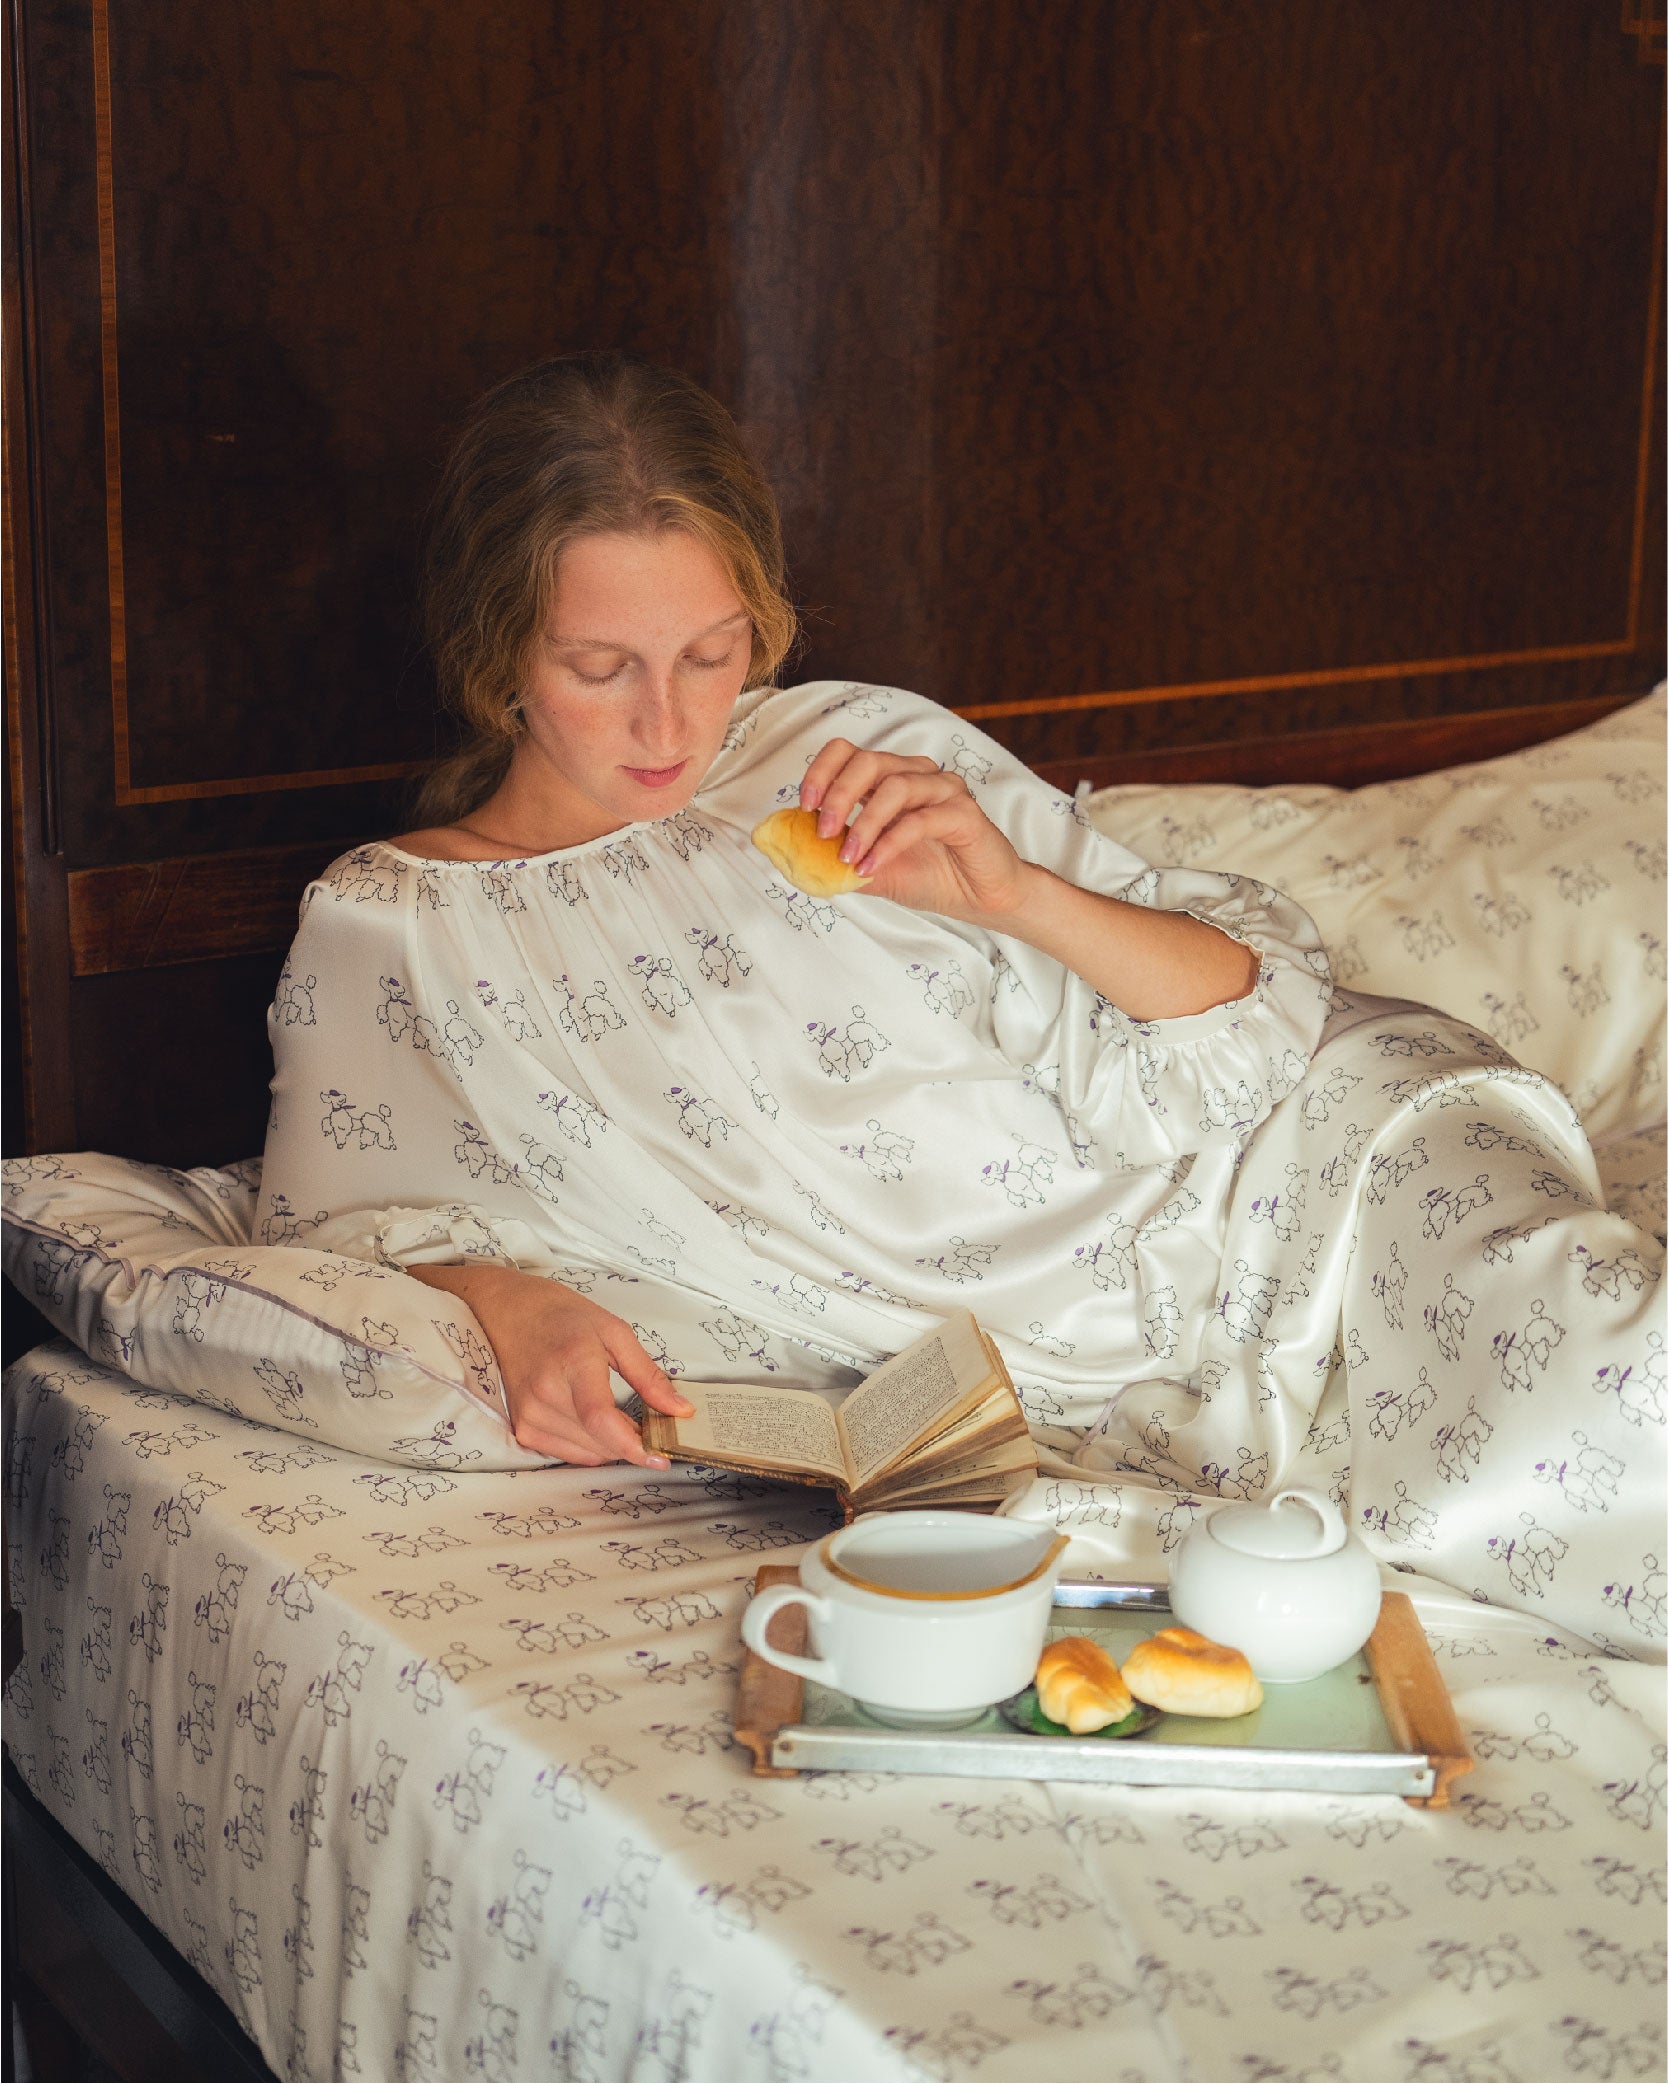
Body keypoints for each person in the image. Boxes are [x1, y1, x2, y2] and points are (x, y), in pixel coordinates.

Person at [255, 351, 1335, 1470]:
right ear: (501, 653)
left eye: (711, 654)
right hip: (1026, 1394)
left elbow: (1252, 1025)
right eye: (601, 666)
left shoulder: (861, 753)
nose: (669, 724)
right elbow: (323, 1252)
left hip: (1304, 1178)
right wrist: (500, 1297)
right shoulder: (394, 926)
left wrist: (1020, 895)